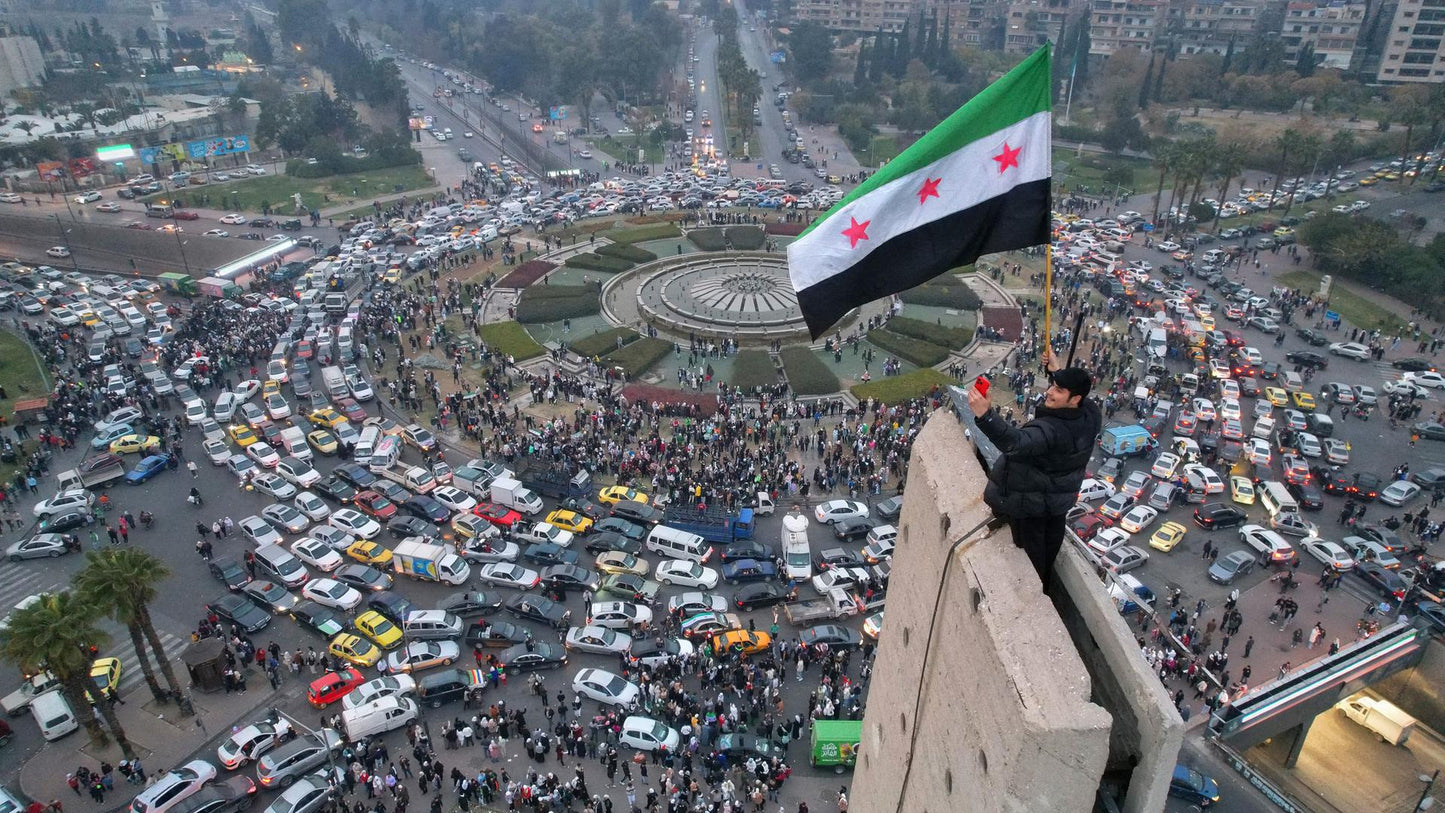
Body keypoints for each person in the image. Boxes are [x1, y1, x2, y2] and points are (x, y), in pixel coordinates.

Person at [967, 350, 1102, 587]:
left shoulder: (1051, 431)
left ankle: (1033, 599)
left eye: (1059, 390)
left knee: (1031, 567)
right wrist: (1056, 371)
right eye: (1053, 386)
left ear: (1075, 399)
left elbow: (1015, 443)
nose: (1049, 392)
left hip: (1030, 507)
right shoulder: (1090, 415)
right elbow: (1077, 391)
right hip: (1056, 504)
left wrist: (985, 415)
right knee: (1048, 555)